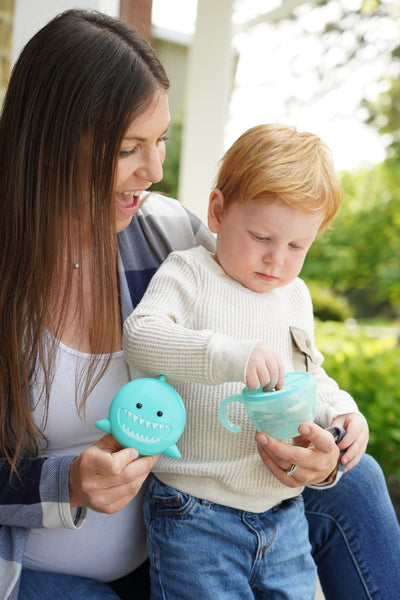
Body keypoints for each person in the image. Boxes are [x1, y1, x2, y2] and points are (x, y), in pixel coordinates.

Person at [0, 8, 398, 600]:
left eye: (159, 140)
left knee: (358, 477)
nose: (155, 171)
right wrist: (69, 483)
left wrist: (325, 448)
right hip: (38, 569)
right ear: (52, 143)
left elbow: (269, 308)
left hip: (182, 530)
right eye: (129, 147)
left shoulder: (167, 233)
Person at [122, 123, 366, 599]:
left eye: (298, 246)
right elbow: (142, 336)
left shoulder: (294, 296)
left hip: (283, 514)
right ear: (217, 211)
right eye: (261, 237)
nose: (277, 260)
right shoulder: (189, 272)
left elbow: (308, 373)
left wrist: (342, 412)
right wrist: (229, 355)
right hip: (195, 513)